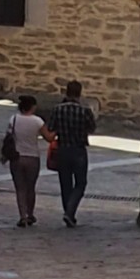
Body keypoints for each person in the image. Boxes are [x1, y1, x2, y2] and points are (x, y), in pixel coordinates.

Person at [47, 80, 98, 226]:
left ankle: (68, 212)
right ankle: (70, 212)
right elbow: (92, 128)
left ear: (66, 92)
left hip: (62, 149)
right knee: (81, 183)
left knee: (65, 183)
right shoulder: (85, 111)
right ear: (80, 93)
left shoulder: (58, 109)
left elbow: (51, 128)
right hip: (79, 150)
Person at [1, 93, 50, 228]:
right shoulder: (37, 121)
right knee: (30, 188)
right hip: (32, 157)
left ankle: (22, 216)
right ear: (33, 107)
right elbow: (49, 138)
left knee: (20, 188)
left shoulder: (14, 119)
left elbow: (8, 136)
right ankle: (30, 213)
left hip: (17, 157)